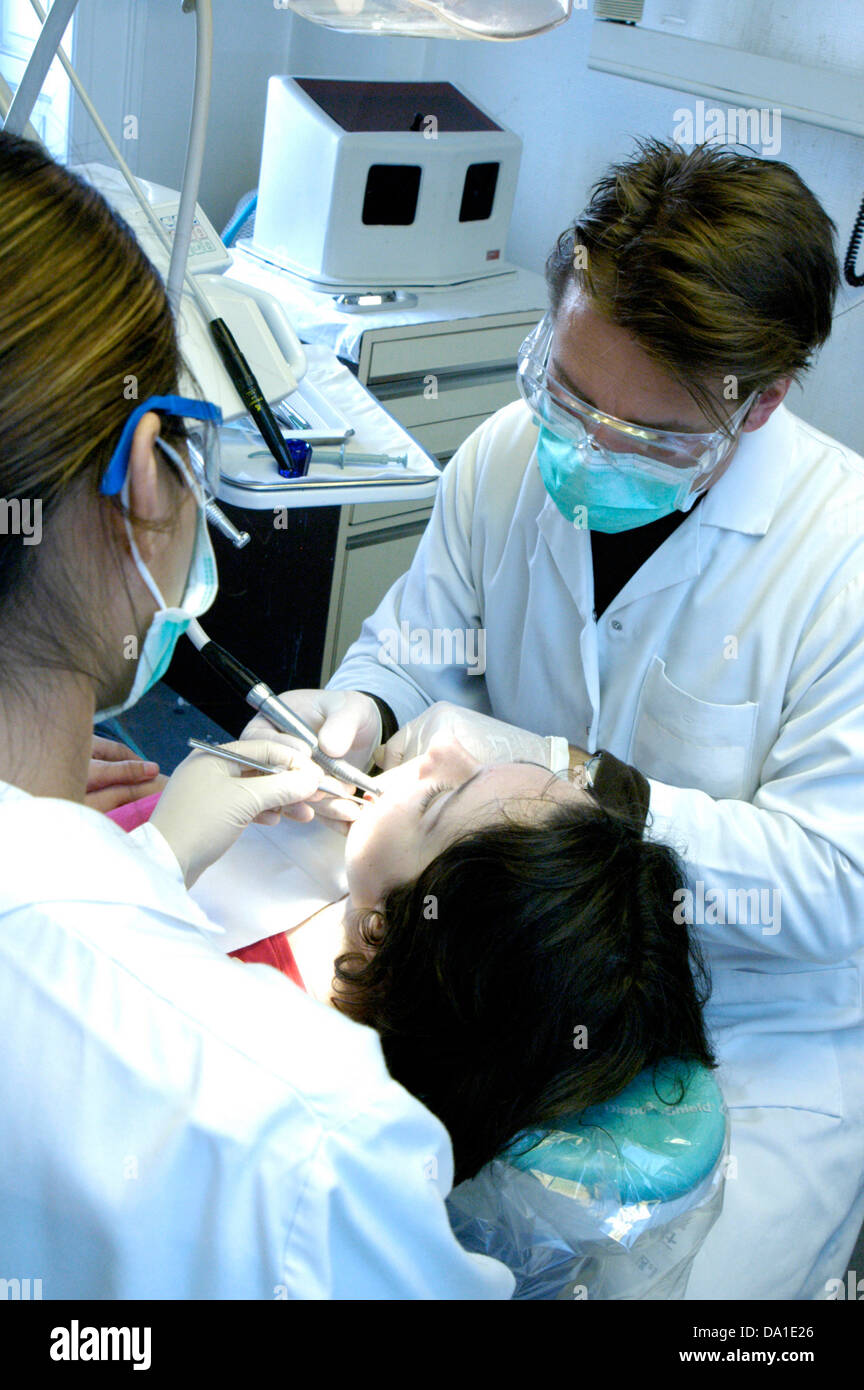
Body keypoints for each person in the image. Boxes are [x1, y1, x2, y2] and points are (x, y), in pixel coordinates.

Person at [244, 139, 864, 1300]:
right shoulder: (505, 460)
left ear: (763, 401)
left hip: (747, 1039)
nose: (584, 447)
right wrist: (361, 705)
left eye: (643, 436)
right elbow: (421, 645)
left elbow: (838, 887)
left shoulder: (844, 567)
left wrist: (584, 776)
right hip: (514, 999)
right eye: (568, 393)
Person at [0, 129, 513, 1299]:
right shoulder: (313, 1135)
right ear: (146, 478)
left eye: (463, 794)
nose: (425, 768)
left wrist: (109, 866)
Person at [210, 741, 716, 1186]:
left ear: (388, 934)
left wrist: (150, 847)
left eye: (438, 800)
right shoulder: (344, 867)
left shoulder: (232, 1056)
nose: (442, 750)